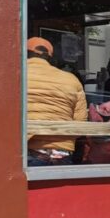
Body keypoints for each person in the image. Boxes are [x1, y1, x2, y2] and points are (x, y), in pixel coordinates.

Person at [25, 37, 88, 166]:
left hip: (28, 150)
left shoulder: (16, 75)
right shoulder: (72, 80)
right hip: (62, 152)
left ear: (25, 53)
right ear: (50, 57)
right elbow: (80, 123)